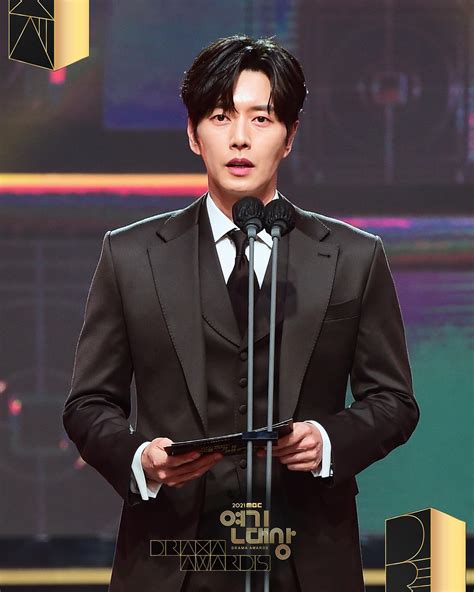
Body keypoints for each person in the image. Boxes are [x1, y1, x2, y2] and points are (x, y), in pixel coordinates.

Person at [63, 35, 420, 591]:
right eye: (220, 116)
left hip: (305, 560)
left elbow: (394, 401)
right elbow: (88, 404)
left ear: (290, 136)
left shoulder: (354, 257)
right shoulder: (131, 255)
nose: (239, 138)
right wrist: (139, 457)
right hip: (172, 560)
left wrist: (327, 440)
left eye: (261, 118)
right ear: (192, 134)